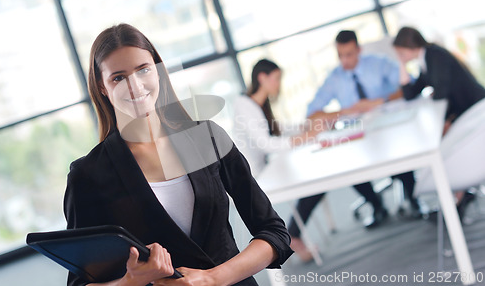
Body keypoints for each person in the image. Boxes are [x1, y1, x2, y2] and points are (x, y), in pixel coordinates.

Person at [63, 23, 293, 286]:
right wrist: (131, 281)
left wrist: (212, 278)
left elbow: (274, 232)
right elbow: (80, 283)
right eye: (118, 77)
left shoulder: (207, 137)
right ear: (102, 87)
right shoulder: (88, 175)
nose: (135, 86)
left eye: (143, 70)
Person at [306, 30, 421, 229]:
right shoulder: (335, 77)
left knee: (399, 151)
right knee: (345, 162)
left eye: (349, 54)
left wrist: (380, 100)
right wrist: (346, 110)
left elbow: (410, 84)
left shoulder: (378, 63)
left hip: (385, 127)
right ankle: (376, 205)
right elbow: (311, 113)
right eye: (340, 55)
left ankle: (413, 199)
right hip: (356, 132)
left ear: (359, 49)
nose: (345, 60)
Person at [232, 59, 324, 262]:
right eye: (276, 79)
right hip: (255, 176)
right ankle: (294, 236)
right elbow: (267, 144)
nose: (278, 85)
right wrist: (304, 137)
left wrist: (304, 128)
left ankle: (295, 235)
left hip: (266, 168)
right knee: (315, 182)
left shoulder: (258, 104)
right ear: (262, 78)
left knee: (315, 178)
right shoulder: (245, 106)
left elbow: (278, 131)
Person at [393, 26, 485, 219]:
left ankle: (458, 195)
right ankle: (458, 197)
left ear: (409, 46)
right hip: (463, 114)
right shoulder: (425, 61)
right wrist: (402, 65)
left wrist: (435, 95)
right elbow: (410, 94)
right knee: (443, 140)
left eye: (401, 53)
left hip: (473, 113)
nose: (400, 56)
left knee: (444, 143)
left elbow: (442, 92)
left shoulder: (436, 56)